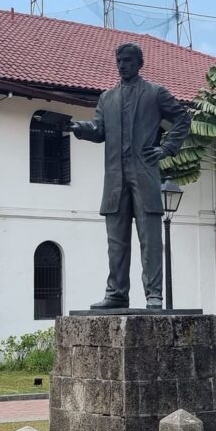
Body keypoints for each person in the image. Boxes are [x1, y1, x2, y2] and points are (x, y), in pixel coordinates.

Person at [66, 43, 190, 310]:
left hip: (144, 173)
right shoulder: (107, 98)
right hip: (115, 178)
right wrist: (80, 128)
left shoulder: (155, 93)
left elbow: (182, 118)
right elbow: (99, 129)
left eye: (128, 61)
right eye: (119, 60)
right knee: (116, 242)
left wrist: (166, 148)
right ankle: (117, 292)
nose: (122, 65)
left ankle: (154, 293)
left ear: (139, 63)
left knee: (151, 240)